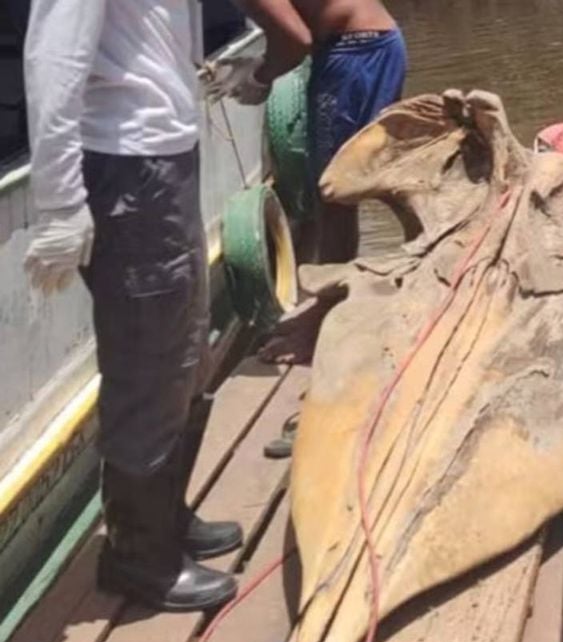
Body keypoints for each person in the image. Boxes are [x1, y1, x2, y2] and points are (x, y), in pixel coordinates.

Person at [23, 0, 242, 611]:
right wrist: (62, 204)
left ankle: (165, 515)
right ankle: (139, 555)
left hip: (165, 156)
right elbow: (51, 60)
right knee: (149, 358)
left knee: (185, 345)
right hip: (125, 164)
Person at [222, 0, 407, 264]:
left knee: (332, 191)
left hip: (355, 52)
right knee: (376, 175)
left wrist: (260, 77)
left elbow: (296, 40)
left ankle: (331, 294)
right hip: (378, 42)